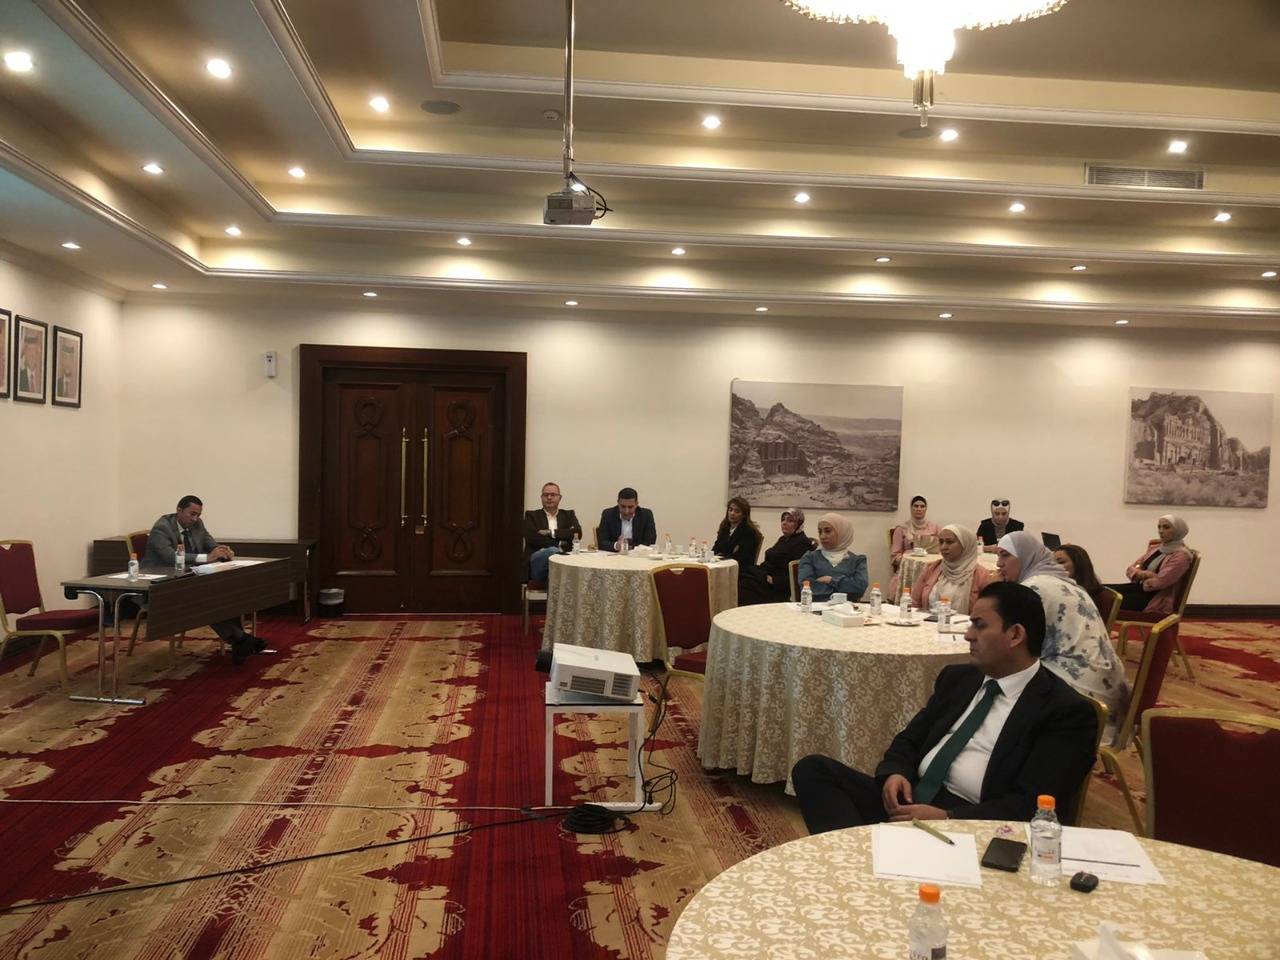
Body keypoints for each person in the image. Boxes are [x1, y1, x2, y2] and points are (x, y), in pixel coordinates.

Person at [791, 581, 1097, 833]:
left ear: (1015, 635)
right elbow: (910, 739)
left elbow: (1030, 805)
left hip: (974, 822)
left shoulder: (1064, 711)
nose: (968, 635)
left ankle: (868, 859)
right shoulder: (960, 679)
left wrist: (948, 818)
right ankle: (870, 858)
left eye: (979, 626)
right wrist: (895, 773)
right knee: (813, 769)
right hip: (913, 798)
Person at [995, 531, 1128, 741]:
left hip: (1080, 695)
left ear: (1025, 556)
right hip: (1107, 682)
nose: (998, 564)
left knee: (994, 681)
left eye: (1005, 555)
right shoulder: (1063, 581)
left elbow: (1011, 643)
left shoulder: (1033, 587)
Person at [142, 495, 264, 665]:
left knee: (223, 592)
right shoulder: (162, 528)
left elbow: (210, 544)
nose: (195, 519)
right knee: (203, 599)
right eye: (192, 514)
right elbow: (169, 557)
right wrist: (206, 558)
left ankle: (240, 641)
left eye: (198, 515)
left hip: (188, 578)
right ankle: (241, 639)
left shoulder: (197, 524)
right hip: (160, 584)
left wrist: (222, 551)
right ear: (179, 510)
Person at [1116, 515, 1193, 615]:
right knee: (1101, 591)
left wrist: (1140, 574)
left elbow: (1160, 582)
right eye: (1159, 527)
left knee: (1107, 600)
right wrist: (1145, 574)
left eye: (1166, 527)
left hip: (1155, 599)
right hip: (1139, 588)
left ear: (1178, 530)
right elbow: (1131, 569)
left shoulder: (1181, 556)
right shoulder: (1156, 548)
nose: (1161, 531)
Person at [909, 524, 993, 615]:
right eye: (941, 542)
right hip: (928, 622)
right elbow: (915, 603)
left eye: (949, 542)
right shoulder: (932, 568)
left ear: (965, 544)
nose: (943, 547)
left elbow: (987, 613)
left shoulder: (981, 576)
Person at [739, 508, 813, 605]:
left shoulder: (802, 543)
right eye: (783, 519)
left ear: (799, 524)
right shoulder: (783, 539)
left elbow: (798, 573)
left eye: (790, 520)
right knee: (740, 575)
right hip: (765, 575)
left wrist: (775, 580)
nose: (784, 523)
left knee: (744, 585)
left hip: (777, 587)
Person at [797, 514, 868, 603]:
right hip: (817, 609)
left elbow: (860, 588)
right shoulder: (810, 557)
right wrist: (845, 589)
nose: (822, 536)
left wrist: (830, 580)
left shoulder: (857, 560)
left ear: (842, 532)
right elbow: (807, 588)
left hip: (848, 609)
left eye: (827, 531)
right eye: (820, 532)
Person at [523, 482, 583, 585]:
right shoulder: (531, 515)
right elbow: (532, 538)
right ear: (541, 498)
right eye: (546, 495)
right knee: (552, 551)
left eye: (553, 495)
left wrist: (550, 532)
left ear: (560, 498)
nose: (549, 498)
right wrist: (561, 542)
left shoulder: (569, 515)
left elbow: (577, 533)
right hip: (539, 559)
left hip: (564, 561)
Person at [1053, 544, 1114, 622]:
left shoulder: (1095, 596)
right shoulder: (1060, 587)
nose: (1053, 567)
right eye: (1052, 563)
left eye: (1061, 562)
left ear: (1078, 564)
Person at [597, 487, 657, 552]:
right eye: (623, 506)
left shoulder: (646, 515)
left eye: (630, 507)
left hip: (638, 555)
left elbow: (650, 541)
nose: (626, 511)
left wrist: (628, 544)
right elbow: (601, 542)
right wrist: (617, 545)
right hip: (614, 555)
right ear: (618, 503)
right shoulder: (608, 514)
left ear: (636, 504)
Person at [891, 496, 942, 571]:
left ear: (926, 509)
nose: (919, 509)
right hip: (909, 570)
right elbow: (895, 556)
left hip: (931, 570)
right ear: (911, 508)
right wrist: (910, 562)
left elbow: (942, 550)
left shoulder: (936, 528)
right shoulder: (902, 529)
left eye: (922, 506)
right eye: (916, 506)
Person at [712, 496, 762, 570]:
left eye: (737, 511)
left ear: (744, 515)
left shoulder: (749, 532)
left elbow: (741, 558)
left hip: (740, 570)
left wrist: (723, 554)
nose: (732, 513)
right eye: (730, 510)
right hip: (721, 566)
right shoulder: (725, 527)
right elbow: (715, 549)